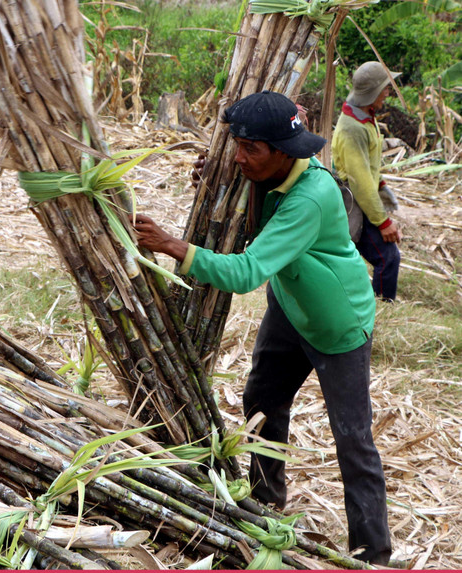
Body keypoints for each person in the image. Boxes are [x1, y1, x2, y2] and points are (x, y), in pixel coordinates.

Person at [131, 90, 391, 565]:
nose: (240, 157)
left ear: (282, 150)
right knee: (261, 404)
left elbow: (246, 272)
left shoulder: (310, 196)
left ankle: (373, 552)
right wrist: (214, 173)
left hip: (337, 322)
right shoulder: (264, 170)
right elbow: (243, 190)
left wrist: (171, 245)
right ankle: (267, 503)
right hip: (291, 307)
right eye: (237, 145)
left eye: (251, 149)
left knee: (352, 439)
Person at [333, 61, 403, 301]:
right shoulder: (353, 128)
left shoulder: (365, 117)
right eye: (385, 88)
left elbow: (367, 165)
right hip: (353, 204)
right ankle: (382, 308)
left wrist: (381, 185)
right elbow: (359, 181)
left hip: (360, 201)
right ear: (373, 92)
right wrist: (383, 222)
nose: (388, 92)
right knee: (387, 257)